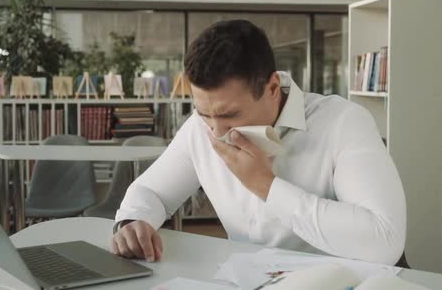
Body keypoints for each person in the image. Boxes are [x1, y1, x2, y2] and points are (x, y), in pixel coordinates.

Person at [110, 20, 406, 266]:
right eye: (204, 114)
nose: (217, 132)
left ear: (273, 88)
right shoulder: (201, 128)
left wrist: (266, 186)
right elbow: (152, 191)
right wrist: (133, 221)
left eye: (231, 115)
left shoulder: (343, 122)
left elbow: (384, 242)